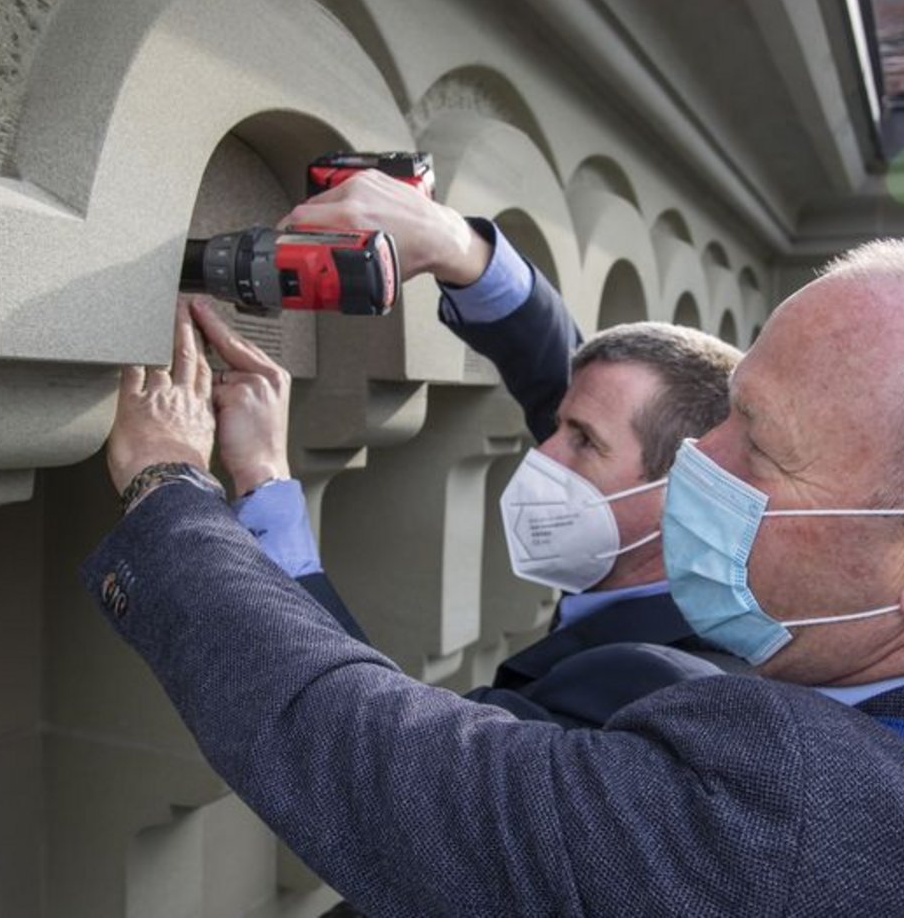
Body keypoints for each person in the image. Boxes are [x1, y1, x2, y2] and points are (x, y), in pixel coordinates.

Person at [87, 238, 904, 915]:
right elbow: (607, 415)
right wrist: (473, 262)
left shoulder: (778, 810)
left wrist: (173, 497)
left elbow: (375, 755)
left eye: (755, 441)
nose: (696, 463)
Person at [220, 172, 746, 728]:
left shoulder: (666, 689)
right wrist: (458, 248)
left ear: (683, 494)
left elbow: (379, 756)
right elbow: (578, 388)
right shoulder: (683, 559)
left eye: (582, 440)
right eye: (558, 425)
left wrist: (262, 484)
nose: (542, 455)